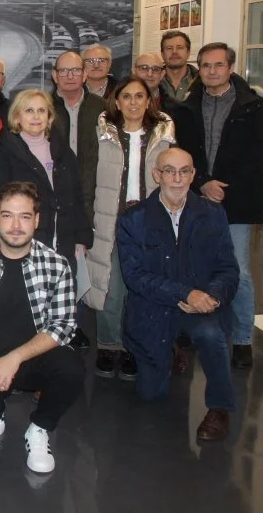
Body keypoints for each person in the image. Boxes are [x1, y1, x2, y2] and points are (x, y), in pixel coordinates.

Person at [0, 181, 83, 474]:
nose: (16, 225)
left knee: (71, 368)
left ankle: (39, 427)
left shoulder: (57, 265)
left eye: (24, 216)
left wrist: (15, 359)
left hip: (34, 355)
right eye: (7, 215)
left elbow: (63, 326)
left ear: (37, 220)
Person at [117, 148, 239, 441]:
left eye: (184, 171)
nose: (177, 178)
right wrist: (185, 293)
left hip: (201, 308)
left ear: (194, 175)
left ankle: (220, 408)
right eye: (169, 171)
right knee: (151, 395)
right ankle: (171, 349)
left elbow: (228, 269)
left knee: (211, 336)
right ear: (157, 175)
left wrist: (212, 297)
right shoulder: (133, 219)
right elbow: (135, 278)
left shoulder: (212, 215)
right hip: (153, 309)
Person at [176, 43, 263, 369]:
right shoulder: (187, 108)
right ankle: (192, 328)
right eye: (205, 66)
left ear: (230, 67)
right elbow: (182, 151)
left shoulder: (252, 106)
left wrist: (223, 186)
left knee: (239, 270)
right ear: (198, 69)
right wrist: (201, 181)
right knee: (193, 266)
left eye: (218, 65)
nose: (211, 71)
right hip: (196, 198)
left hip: (237, 201)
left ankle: (243, 338)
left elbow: (260, 155)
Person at [84, 76, 175, 382]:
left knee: (142, 290)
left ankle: (134, 348)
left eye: (139, 96)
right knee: (110, 288)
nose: (133, 102)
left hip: (149, 224)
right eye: (127, 97)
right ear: (117, 101)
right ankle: (109, 346)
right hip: (110, 220)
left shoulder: (164, 135)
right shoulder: (102, 134)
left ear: (149, 101)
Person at [0, 89, 92, 276]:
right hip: (23, 247)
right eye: (29, 111)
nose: (36, 116)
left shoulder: (65, 153)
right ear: (17, 117)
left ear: (50, 117)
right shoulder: (5, 154)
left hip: (64, 247)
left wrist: (81, 239)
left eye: (41, 111)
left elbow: (77, 198)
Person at [50, 50, 106, 219]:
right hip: (53, 194)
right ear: (54, 75)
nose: (69, 76)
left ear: (84, 75)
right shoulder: (43, 108)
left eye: (75, 70)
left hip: (94, 194)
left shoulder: (103, 109)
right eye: (63, 71)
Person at [159, 30, 198, 102]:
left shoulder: (201, 81)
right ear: (162, 54)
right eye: (169, 48)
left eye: (179, 47)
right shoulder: (154, 81)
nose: (174, 52)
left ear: (188, 52)